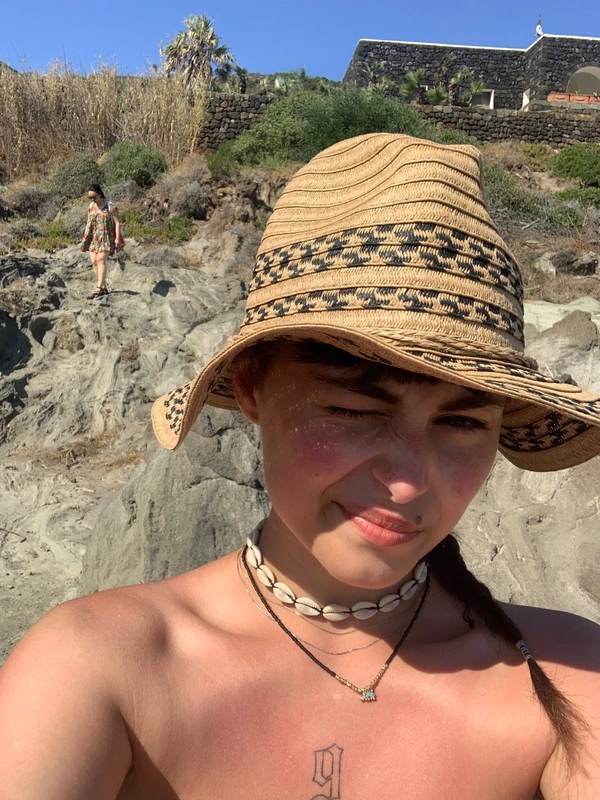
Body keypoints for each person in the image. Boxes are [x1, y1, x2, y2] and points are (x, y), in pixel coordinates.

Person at [1, 133, 599, 799]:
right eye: (354, 410)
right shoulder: (96, 673)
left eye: (461, 423)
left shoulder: (569, 682)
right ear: (253, 387)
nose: (408, 482)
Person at [80, 183, 124, 299]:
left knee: (100, 260)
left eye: (94, 197)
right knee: (94, 261)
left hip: (106, 237)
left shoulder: (110, 206)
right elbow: (88, 222)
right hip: (94, 237)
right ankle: (103, 287)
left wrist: (117, 238)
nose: (92, 199)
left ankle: (99, 287)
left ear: (100, 194)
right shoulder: (91, 206)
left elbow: (117, 223)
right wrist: (85, 238)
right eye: (90, 198)